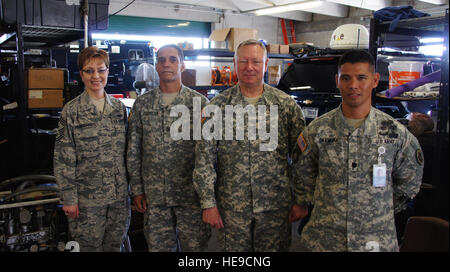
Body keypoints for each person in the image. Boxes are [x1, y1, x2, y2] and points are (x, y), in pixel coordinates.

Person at [290, 49, 424, 252]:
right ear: (337, 80)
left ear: (375, 80)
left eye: (361, 77)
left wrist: (376, 209)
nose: (353, 85)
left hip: (375, 241)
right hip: (325, 241)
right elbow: (302, 175)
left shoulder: (396, 134)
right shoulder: (317, 131)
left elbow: (408, 184)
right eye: (346, 78)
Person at [194, 39, 306, 251]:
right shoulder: (217, 107)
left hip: (275, 206)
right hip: (232, 208)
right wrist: (208, 203)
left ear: (265, 64)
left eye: (256, 61)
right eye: (243, 61)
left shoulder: (287, 106)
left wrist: (301, 199)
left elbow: (302, 159)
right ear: (235, 64)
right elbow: (204, 159)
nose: (249, 67)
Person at [127, 44, 210, 252]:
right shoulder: (143, 104)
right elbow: (133, 149)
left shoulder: (200, 104)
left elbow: (209, 155)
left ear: (182, 65)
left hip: (191, 195)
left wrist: (209, 196)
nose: (166, 64)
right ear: (156, 66)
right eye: (161, 60)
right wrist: (137, 190)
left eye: (173, 59)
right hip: (155, 197)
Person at [53, 46, 130, 252]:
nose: (96, 76)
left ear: (107, 71)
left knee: (115, 246)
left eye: (101, 70)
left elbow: (127, 153)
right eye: (89, 70)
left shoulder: (119, 109)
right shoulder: (71, 111)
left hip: (118, 198)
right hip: (87, 202)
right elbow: (62, 157)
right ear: (81, 74)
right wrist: (68, 198)